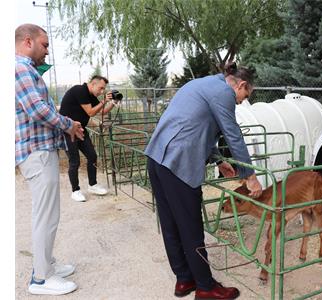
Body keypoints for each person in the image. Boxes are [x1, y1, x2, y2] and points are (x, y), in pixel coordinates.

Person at [145, 62, 263, 299]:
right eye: (244, 95)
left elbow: (197, 126)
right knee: (191, 227)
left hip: (157, 158)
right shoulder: (223, 92)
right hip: (178, 163)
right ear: (240, 84)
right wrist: (250, 176)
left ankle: (184, 280)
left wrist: (218, 160)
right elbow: (232, 134)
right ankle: (206, 287)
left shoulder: (202, 84)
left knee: (171, 224)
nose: (241, 101)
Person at [15, 23, 84, 295]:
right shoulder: (20, 68)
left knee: (47, 215)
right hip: (36, 152)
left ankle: (46, 266)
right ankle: (41, 279)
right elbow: (37, 110)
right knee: (45, 216)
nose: (47, 51)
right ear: (28, 41)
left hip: (40, 150)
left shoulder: (27, 70)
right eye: (44, 45)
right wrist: (68, 124)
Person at [59, 75, 116, 202]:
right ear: (93, 84)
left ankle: (93, 185)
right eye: (101, 88)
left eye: (103, 89)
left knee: (92, 156)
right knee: (75, 161)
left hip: (81, 130)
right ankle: (75, 191)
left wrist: (112, 103)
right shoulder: (80, 90)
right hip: (68, 131)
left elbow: (101, 112)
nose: (102, 92)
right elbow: (90, 112)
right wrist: (104, 101)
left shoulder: (91, 96)